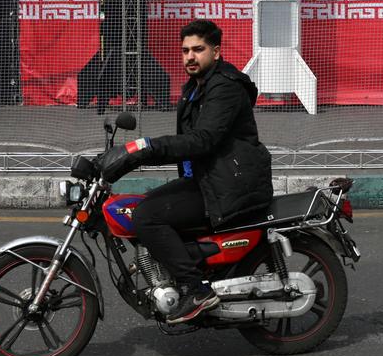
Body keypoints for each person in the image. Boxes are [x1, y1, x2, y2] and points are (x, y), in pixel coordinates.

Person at [76, 20, 273, 324]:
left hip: (230, 188)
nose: (190, 57)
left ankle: (196, 289)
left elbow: (202, 140)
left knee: (147, 216)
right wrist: (125, 155)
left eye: (198, 49)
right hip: (208, 181)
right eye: (185, 51)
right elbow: (187, 145)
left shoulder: (225, 88)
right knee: (146, 204)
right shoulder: (196, 88)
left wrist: (144, 149)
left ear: (216, 52)